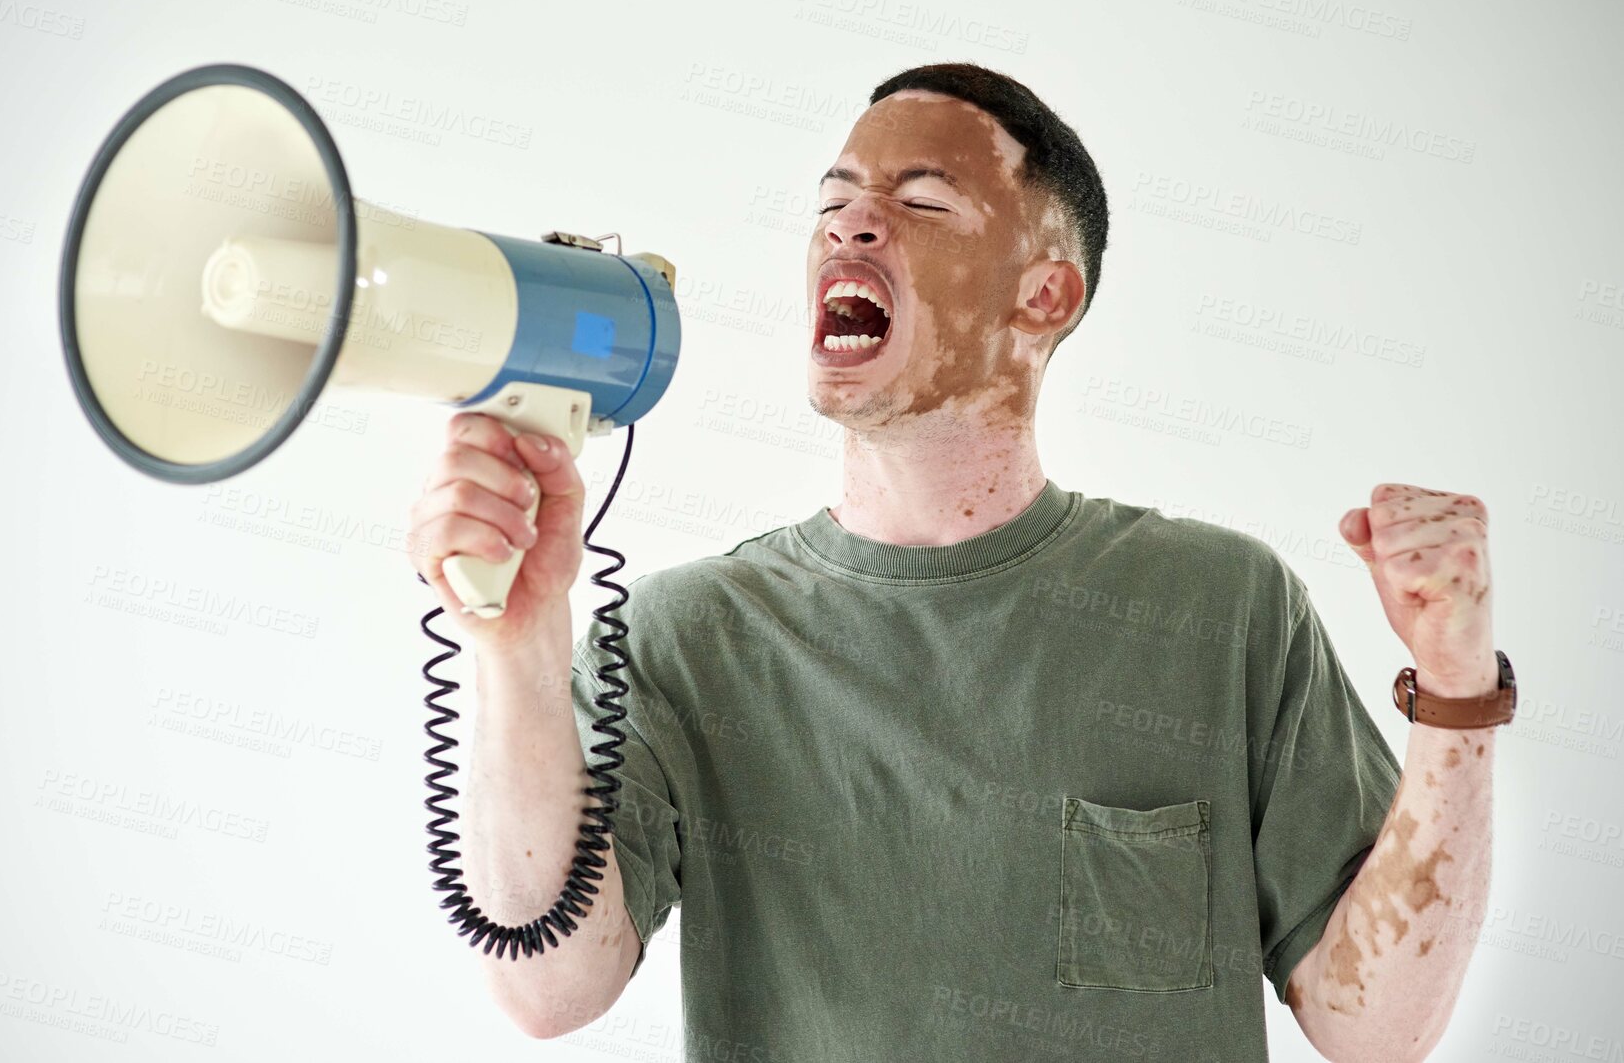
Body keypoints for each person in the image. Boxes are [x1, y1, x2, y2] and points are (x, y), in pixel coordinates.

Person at [408, 62, 1502, 1062]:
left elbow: (1379, 1024)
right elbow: (549, 986)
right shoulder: (683, 637)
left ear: (1046, 295)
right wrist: (517, 641)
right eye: (833, 205)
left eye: (922, 203)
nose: (854, 227)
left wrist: (1455, 689)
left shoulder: (1222, 607)